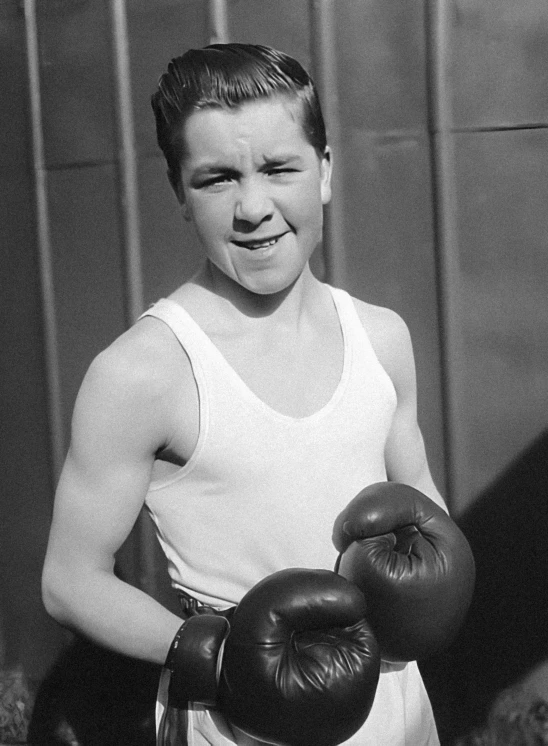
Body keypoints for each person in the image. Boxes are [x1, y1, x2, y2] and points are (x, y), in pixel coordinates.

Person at [42, 43, 447, 745]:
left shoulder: (382, 338)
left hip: (395, 708)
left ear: (325, 172)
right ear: (179, 194)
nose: (253, 207)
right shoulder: (145, 371)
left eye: (279, 168)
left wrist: (431, 581)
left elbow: (422, 502)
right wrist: (215, 656)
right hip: (240, 721)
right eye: (217, 179)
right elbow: (69, 579)